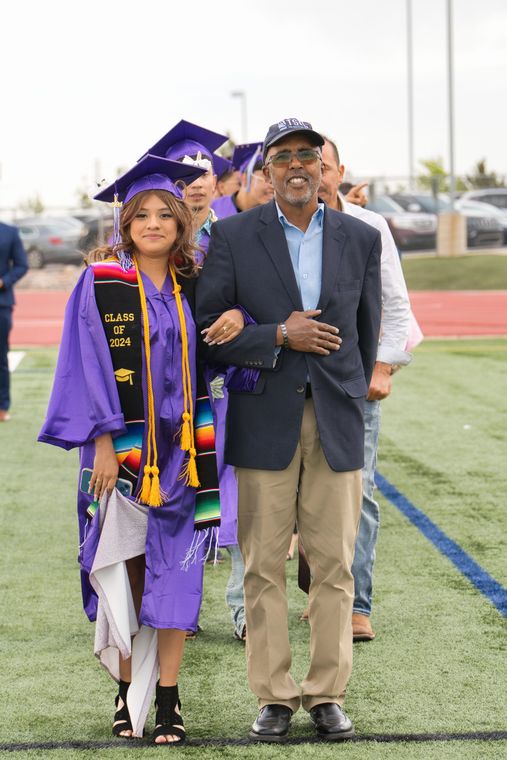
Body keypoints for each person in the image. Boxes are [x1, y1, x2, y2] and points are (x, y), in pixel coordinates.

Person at [38, 155, 243, 744]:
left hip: (184, 453)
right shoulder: (100, 283)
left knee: (177, 573)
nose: (153, 224)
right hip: (120, 451)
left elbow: (223, 352)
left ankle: (170, 699)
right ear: (125, 223)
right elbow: (85, 362)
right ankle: (129, 691)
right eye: (141, 215)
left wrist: (235, 315)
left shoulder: (196, 285)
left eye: (164, 215)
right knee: (125, 570)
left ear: (181, 223)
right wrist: (102, 441)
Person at [196, 117, 382, 742]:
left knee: (334, 564)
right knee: (262, 565)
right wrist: (278, 333)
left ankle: (327, 692)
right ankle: (274, 696)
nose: (297, 165)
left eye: (309, 154)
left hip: (336, 418)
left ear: (326, 165)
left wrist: (350, 392)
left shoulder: (360, 238)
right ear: (266, 171)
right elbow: (210, 336)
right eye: (284, 157)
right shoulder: (232, 236)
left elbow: (364, 331)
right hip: (263, 419)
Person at [143, 120, 248, 641]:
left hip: (229, 387)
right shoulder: (157, 243)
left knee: (236, 496)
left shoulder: (234, 232)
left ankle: (242, 609)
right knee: (177, 495)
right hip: (173, 393)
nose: (197, 180)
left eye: (205, 169)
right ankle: (172, 606)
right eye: (185, 173)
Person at [317, 136, 412, 641]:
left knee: (360, 495)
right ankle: (314, 596)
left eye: (323, 165)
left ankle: (356, 603)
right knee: (293, 503)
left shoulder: (369, 227)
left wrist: (382, 369)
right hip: (294, 386)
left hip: (353, 384)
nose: (315, 174)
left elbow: (395, 306)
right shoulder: (280, 229)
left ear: (338, 171)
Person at [0, 221, 28, 421]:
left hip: (1, 303)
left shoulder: (9, 232)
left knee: (1, 357)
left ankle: (2, 406)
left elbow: (22, 265)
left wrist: (4, 281)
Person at [212, 142, 274, 219]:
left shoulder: (275, 216)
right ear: (244, 179)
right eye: (266, 178)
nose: (273, 185)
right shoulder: (213, 212)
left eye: (275, 179)